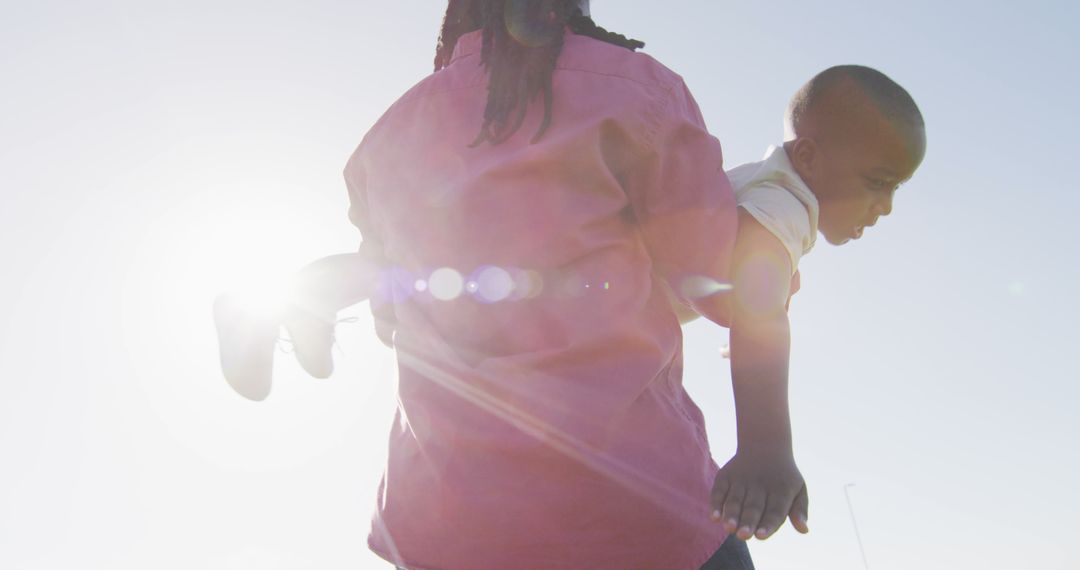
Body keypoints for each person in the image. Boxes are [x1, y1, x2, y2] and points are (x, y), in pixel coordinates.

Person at [214, 2, 925, 568]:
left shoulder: (407, 118)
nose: (883, 208)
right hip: (625, 511)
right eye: (879, 187)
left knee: (382, 271)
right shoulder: (639, 96)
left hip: (441, 526)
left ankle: (281, 303)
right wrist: (768, 447)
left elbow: (388, 283)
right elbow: (733, 291)